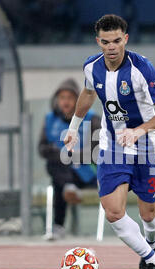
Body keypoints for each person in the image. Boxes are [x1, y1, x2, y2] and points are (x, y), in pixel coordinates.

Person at [63, 15, 155, 269]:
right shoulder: (91, 67)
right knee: (113, 211)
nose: (111, 47)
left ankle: (151, 242)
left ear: (125, 39)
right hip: (113, 146)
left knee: (148, 213)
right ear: (98, 42)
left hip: (149, 146)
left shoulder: (142, 69)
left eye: (116, 41)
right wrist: (73, 127)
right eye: (105, 41)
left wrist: (137, 131)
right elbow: (89, 93)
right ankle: (153, 260)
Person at [38, 78, 101, 240]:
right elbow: (42, 148)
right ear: (57, 100)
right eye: (62, 98)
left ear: (77, 100)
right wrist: (62, 155)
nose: (65, 102)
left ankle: (58, 225)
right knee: (56, 168)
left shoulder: (92, 119)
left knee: (59, 179)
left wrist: (69, 154)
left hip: (87, 172)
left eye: (70, 98)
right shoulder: (50, 119)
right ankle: (69, 188)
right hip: (61, 168)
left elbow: (96, 150)